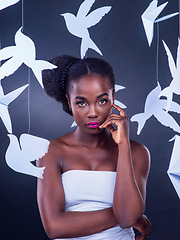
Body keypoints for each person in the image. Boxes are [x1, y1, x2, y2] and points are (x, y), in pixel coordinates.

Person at [37, 55, 151, 240]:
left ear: (113, 97)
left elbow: (128, 217)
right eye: (81, 102)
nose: (93, 113)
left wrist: (123, 146)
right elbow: (55, 227)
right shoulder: (51, 151)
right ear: (69, 101)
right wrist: (124, 213)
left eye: (102, 101)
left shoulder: (137, 152)